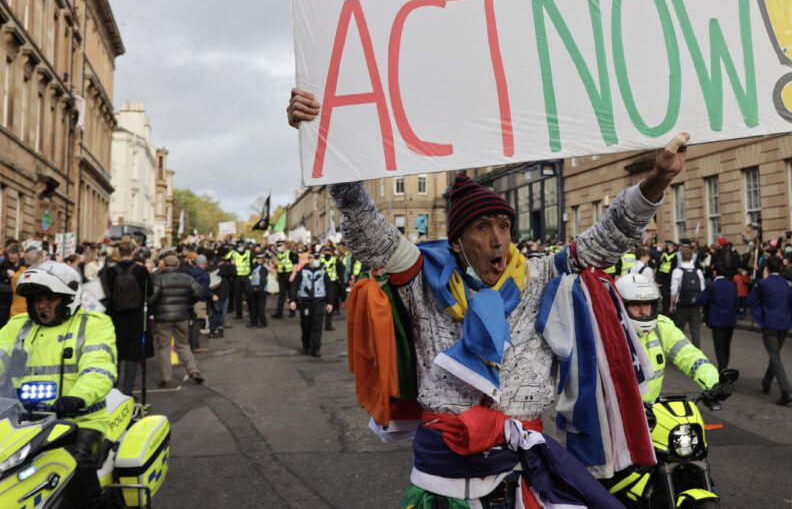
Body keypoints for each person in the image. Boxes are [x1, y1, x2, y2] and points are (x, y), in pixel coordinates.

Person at [287, 87, 690, 506]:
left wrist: (658, 179)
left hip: (524, 480)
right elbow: (365, 223)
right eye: (482, 227)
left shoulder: (541, 275)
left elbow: (607, 239)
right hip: (443, 483)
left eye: (503, 225)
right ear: (458, 242)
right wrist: (322, 141)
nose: (498, 240)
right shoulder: (422, 279)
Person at [0, 261, 117, 508]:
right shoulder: (17, 327)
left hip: (80, 420)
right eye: (36, 299)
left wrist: (79, 397)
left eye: (49, 298)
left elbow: (99, 367)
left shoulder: (94, 324)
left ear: (69, 298)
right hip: (21, 421)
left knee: (77, 464)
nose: (42, 305)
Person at [615, 272, 723, 401]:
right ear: (621, 306)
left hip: (653, 411)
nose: (644, 311)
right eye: (636, 305)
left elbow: (689, 356)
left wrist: (714, 382)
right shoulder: (609, 332)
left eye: (647, 304)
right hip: (619, 414)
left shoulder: (661, 326)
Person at [101, 239, 151, 395]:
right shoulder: (141, 271)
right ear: (133, 252)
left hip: (115, 316)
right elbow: (150, 291)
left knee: (115, 353)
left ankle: (113, 391)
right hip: (135, 317)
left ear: (118, 252)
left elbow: (106, 293)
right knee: (132, 354)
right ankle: (128, 392)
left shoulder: (110, 271)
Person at [149, 253, 204, 387]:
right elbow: (199, 293)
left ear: (165, 265)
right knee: (183, 344)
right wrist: (187, 302)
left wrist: (153, 308)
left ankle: (166, 378)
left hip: (163, 317)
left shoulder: (158, 279)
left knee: (164, 348)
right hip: (182, 315)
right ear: (177, 265)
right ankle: (193, 370)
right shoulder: (187, 278)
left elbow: (152, 298)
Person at [746, 256, 792, 405]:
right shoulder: (788, 284)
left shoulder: (762, 283)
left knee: (774, 356)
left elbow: (749, 301)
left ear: (766, 268)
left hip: (770, 323)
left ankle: (785, 390)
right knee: (775, 356)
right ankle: (766, 381)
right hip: (784, 323)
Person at [289, 249, 337, 357]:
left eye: (317, 258)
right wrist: (292, 300)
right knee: (305, 325)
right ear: (309, 259)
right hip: (305, 303)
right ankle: (306, 345)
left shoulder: (323, 271)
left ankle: (315, 349)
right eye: (314, 258)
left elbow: (330, 288)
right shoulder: (302, 271)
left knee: (317, 326)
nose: (316, 260)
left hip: (318, 302)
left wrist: (330, 302)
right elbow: (294, 286)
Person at [695, 266, 738, 372]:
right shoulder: (732, 285)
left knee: (719, 347)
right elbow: (736, 303)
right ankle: (725, 366)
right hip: (730, 319)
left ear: (715, 272)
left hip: (717, 319)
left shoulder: (712, 285)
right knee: (726, 345)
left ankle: (723, 369)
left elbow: (700, 300)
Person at [670, 254, 705, 349]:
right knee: (695, 332)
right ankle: (697, 354)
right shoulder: (698, 271)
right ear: (691, 259)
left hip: (682, 305)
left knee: (679, 331)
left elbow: (674, 290)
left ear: (681, 258)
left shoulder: (677, 271)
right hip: (695, 306)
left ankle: (678, 352)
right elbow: (702, 289)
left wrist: (671, 305)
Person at [271, 241, 298, 319]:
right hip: (282, 277)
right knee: (281, 295)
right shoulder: (279, 254)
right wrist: (277, 275)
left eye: (280, 245)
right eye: (278, 246)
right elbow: (279, 265)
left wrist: (293, 275)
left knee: (291, 295)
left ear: (284, 245)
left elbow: (295, 264)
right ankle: (279, 313)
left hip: (290, 275)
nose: (279, 247)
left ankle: (292, 312)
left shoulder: (290, 253)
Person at [227, 241, 251, 321]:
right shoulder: (233, 253)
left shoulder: (248, 253)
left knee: (249, 296)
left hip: (246, 277)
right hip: (237, 278)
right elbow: (227, 259)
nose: (241, 247)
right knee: (238, 297)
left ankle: (252, 312)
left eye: (242, 246)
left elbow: (252, 263)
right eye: (239, 246)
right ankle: (239, 314)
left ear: (244, 246)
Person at [247, 250, 272, 328]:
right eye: (258, 258)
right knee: (253, 307)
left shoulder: (264, 267)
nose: (259, 260)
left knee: (261, 307)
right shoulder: (254, 266)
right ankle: (253, 321)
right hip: (253, 289)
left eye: (260, 259)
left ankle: (262, 322)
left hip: (261, 290)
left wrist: (260, 289)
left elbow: (263, 279)